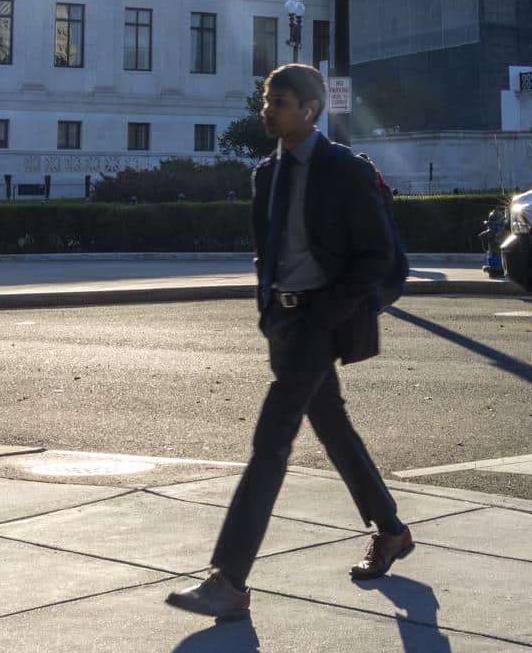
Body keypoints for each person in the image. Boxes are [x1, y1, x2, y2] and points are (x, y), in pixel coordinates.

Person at [167, 63, 412, 622]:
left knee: (271, 442)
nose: (267, 109)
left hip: (320, 324)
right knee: (332, 428)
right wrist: (269, 309)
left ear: (309, 109)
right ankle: (391, 530)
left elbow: (376, 255)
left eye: (278, 101)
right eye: (265, 99)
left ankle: (230, 579)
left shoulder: (343, 170)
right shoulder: (265, 175)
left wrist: (326, 314)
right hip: (284, 321)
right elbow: (268, 251)